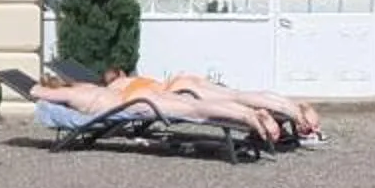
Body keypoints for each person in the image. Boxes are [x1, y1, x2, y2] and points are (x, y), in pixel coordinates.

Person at [104, 67, 323, 145]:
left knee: (230, 102)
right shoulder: (138, 78)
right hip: (182, 79)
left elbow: (115, 105)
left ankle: (285, 115)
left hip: (178, 91)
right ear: (122, 72)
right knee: (238, 94)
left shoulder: (117, 87)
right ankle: (294, 108)